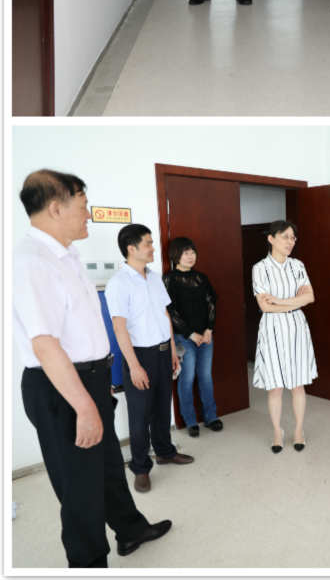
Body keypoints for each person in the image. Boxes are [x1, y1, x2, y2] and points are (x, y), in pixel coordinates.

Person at [14, 170, 172, 567]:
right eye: (84, 207)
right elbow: (45, 344)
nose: (89, 215)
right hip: (63, 389)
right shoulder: (33, 262)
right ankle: (88, 564)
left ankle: (130, 530)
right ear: (56, 208)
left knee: (108, 469)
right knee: (79, 489)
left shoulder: (66, 256)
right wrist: (84, 407)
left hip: (90, 379)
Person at [105, 224, 194, 494]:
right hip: (139, 355)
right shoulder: (118, 283)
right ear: (131, 248)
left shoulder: (154, 278)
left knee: (162, 407)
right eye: (148, 243)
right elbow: (119, 328)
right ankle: (141, 467)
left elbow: (164, 315)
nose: (153, 248)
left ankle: (165, 451)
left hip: (163, 351)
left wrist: (172, 351)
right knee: (140, 415)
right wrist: (134, 366)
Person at [252, 220, 317, 452]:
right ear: (271, 239)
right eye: (285, 237)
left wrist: (279, 300)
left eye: (293, 238)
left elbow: (310, 297)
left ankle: (298, 430)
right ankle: (277, 432)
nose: (291, 242)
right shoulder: (260, 268)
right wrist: (294, 301)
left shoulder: (298, 265)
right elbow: (264, 306)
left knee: (298, 384)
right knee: (275, 387)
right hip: (272, 328)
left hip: (296, 327)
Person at [163, 237, 223, 438]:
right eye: (185, 253)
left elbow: (211, 303)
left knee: (206, 376)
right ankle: (190, 420)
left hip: (205, 336)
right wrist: (190, 333)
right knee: (187, 378)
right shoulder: (169, 279)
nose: (190, 256)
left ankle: (211, 416)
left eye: (192, 252)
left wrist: (209, 329)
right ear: (176, 255)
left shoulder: (201, 277)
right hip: (183, 337)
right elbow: (170, 311)